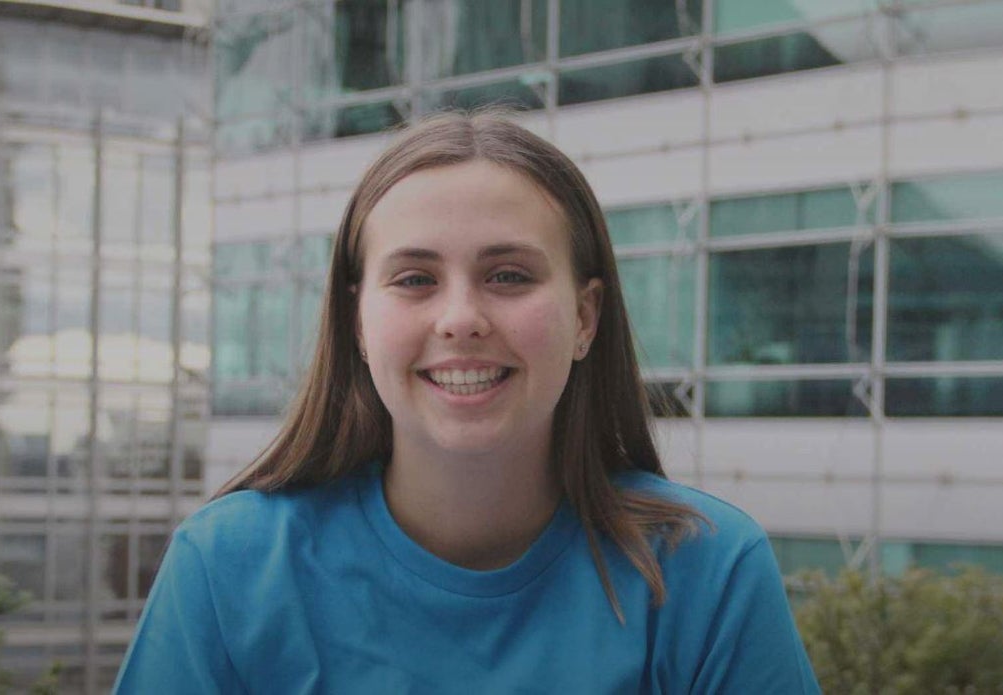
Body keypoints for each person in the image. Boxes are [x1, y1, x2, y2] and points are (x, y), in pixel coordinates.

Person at [115, 110, 820, 693]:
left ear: (585, 316)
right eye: (416, 278)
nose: (460, 317)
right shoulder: (227, 567)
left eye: (508, 274)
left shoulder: (708, 573)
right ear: (358, 320)